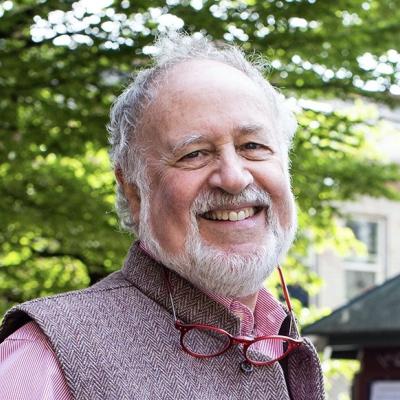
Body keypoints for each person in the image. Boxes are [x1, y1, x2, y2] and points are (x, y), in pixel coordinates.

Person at [0, 33, 325, 399]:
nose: (234, 178)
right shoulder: (45, 358)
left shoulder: (279, 341)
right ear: (134, 191)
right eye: (194, 153)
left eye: (253, 146)